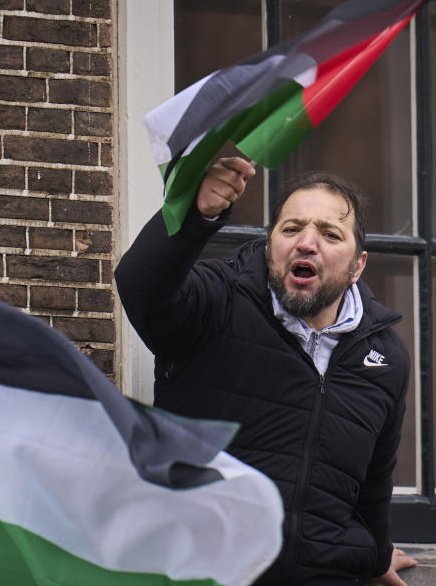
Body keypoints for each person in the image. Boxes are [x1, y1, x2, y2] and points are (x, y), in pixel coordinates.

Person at [115, 156, 417, 585]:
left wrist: (373, 554)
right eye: (291, 228)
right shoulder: (215, 301)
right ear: (269, 244)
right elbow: (138, 283)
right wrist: (197, 216)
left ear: (358, 266)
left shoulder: (385, 356)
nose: (306, 243)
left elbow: (372, 484)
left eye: (330, 234)